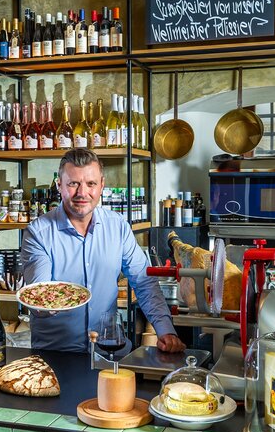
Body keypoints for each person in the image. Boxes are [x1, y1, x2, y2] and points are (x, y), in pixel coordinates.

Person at [21, 148, 186, 354]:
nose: (82, 193)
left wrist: (165, 331)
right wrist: (45, 307)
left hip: (109, 350)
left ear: (102, 186)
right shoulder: (39, 232)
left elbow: (144, 283)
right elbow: (40, 292)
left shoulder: (117, 226)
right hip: (58, 356)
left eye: (91, 184)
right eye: (73, 184)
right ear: (59, 186)